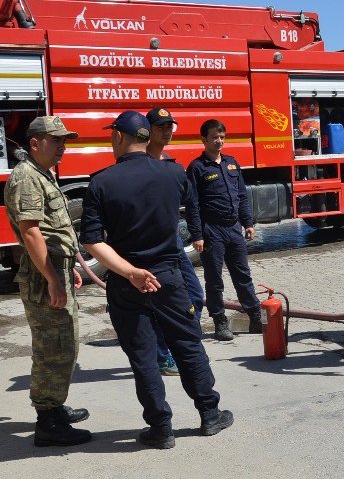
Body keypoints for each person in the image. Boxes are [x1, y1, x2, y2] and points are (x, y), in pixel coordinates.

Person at [81, 110, 231, 449]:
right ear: (147, 137)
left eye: (112, 135)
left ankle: (161, 428)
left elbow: (92, 240)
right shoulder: (175, 173)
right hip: (169, 277)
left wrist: (131, 273)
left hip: (126, 282)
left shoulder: (101, 182)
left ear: (120, 137)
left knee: (144, 357)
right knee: (188, 346)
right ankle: (210, 414)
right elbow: (189, 210)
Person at [3, 116, 92, 447]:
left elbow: (54, 232)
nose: (63, 147)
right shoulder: (26, 178)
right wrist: (53, 278)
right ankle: (48, 421)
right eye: (57, 141)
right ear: (35, 144)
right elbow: (31, 232)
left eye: (64, 141)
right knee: (53, 347)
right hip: (44, 275)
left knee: (65, 343)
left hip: (55, 268)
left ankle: (54, 406)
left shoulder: (41, 175)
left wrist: (68, 269)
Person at [186, 119, 264, 341]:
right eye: (214, 137)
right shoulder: (197, 168)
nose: (219, 141)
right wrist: (197, 235)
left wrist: (248, 223)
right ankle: (219, 321)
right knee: (214, 280)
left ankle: (255, 317)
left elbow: (241, 196)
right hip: (212, 231)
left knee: (243, 276)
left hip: (233, 229)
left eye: (222, 137)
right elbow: (193, 205)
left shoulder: (232, 163)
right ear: (204, 140)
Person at [145, 107, 206, 376]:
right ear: (147, 131)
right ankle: (162, 356)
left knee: (195, 296)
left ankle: (177, 345)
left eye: (170, 126)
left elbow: (188, 202)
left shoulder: (168, 161)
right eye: (161, 127)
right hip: (153, 248)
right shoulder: (140, 163)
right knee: (160, 304)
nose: (167, 131)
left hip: (175, 244)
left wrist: (198, 233)